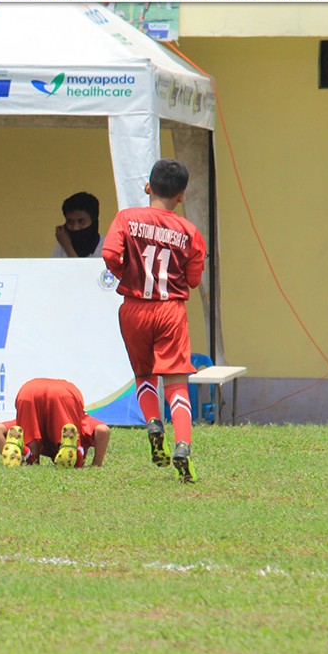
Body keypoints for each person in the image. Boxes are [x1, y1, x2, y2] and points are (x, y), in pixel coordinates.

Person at [102, 159, 206, 483]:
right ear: (181, 196)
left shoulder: (127, 219)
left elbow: (109, 255)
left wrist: (126, 274)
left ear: (148, 187)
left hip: (134, 307)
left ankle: (152, 422)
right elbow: (192, 279)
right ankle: (183, 444)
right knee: (176, 383)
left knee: (144, 373)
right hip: (170, 310)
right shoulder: (189, 233)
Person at [0, 378, 110, 468]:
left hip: (29, 389)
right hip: (64, 393)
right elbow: (103, 430)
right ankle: (73, 450)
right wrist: (96, 465)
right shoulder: (82, 420)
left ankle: (25, 453)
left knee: (31, 453)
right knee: (76, 461)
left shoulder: (19, 425)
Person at [53, 191, 105, 258]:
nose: (75, 228)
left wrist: (68, 248)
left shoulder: (106, 247)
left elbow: (81, 268)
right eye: (71, 222)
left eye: (81, 221)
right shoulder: (61, 247)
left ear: (93, 221)